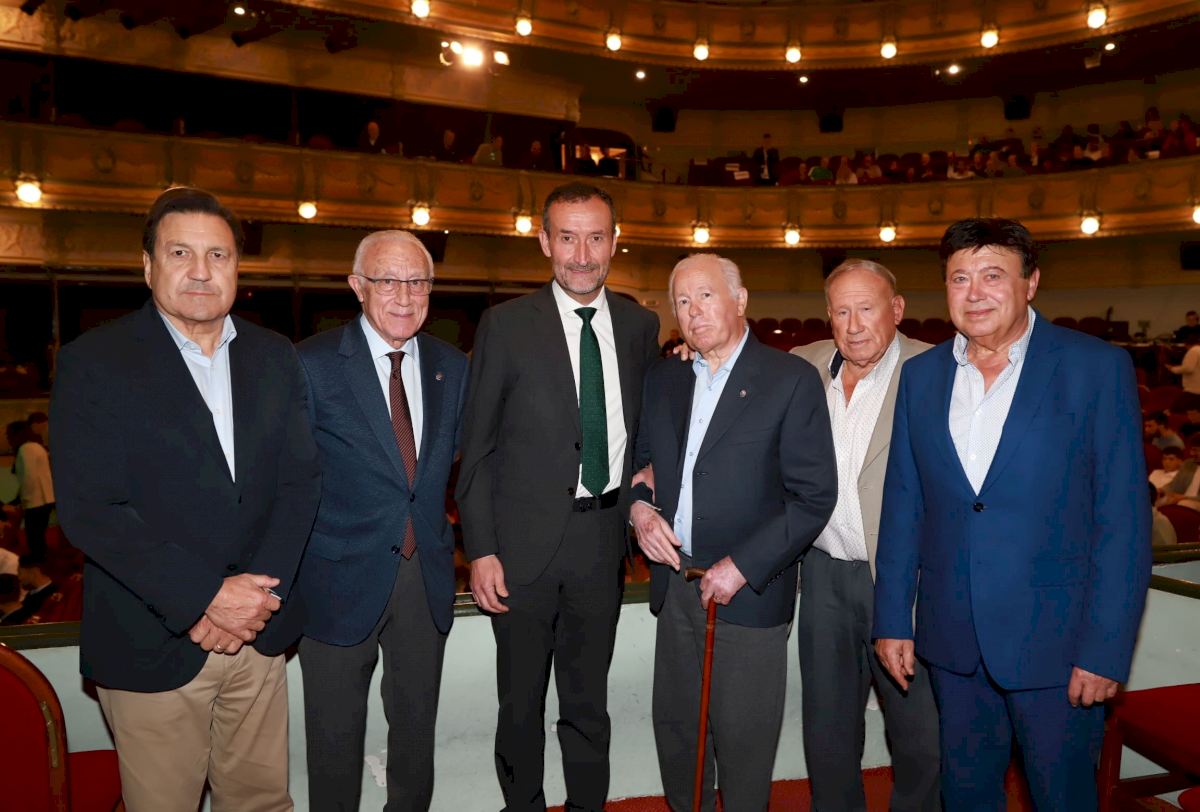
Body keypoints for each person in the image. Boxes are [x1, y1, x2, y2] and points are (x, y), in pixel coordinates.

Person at [50, 186, 322, 812]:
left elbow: (300, 482)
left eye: (218, 255)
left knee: (262, 803)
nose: (201, 271)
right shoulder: (94, 362)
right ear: (148, 265)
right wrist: (205, 597)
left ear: (237, 268)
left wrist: (256, 601)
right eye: (181, 253)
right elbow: (92, 510)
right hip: (153, 640)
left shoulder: (273, 355)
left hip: (258, 635)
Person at [873, 217, 1151, 811]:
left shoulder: (1095, 368)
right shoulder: (920, 378)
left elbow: (1123, 525)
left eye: (993, 275)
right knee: (966, 796)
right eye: (959, 278)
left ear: (1031, 282)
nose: (974, 293)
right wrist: (893, 617)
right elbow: (903, 506)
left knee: (1062, 799)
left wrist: (1104, 649)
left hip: (1059, 647)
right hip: (952, 642)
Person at [456, 182, 660, 812]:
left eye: (595, 238)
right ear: (544, 241)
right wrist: (481, 550)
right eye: (567, 238)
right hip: (522, 552)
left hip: (601, 543)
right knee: (519, 705)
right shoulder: (505, 325)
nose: (582, 254)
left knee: (588, 702)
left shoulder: (641, 325)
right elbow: (477, 450)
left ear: (615, 242)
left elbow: (647, 426)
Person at [629, 253, 836, 811]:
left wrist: (741, 566)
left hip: (748, 594)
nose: (693, 311)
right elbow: (641, 465)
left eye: (706, 296)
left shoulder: (790, 380)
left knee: (745, 751)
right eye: (682, 301)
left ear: (740, 301)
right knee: (680, 742)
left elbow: (814, 496)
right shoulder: (664, 378)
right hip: (675, 588)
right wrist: (639, 512)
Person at [294, 230, 468, 812]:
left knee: (416, 735)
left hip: (425, 576)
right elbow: (287, 480)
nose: (404, 295)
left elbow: (480, 454)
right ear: (357, 286)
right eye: (387, 280)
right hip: (334, 580)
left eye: (417, 282)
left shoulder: (452, 367)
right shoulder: (311, 364)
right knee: (334, 741)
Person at [790, 260, 940, 812]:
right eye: (841, 312)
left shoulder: (938, 369)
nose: (853, 326)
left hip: (904, 580)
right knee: (827, 730)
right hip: (822, 575)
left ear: (896, 310)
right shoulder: (801, 366)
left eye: (867, 309)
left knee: (919, 733)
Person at [6, 418, 53, 563]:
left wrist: (23, 501)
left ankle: (37, 557)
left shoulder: (26, 449)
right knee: (38, 530)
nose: (7, 438)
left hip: (37, 498)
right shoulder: (36, 446)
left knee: (33, 531)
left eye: (8, 434)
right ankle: (41, 554)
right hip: (45, 497)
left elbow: (29, 477)